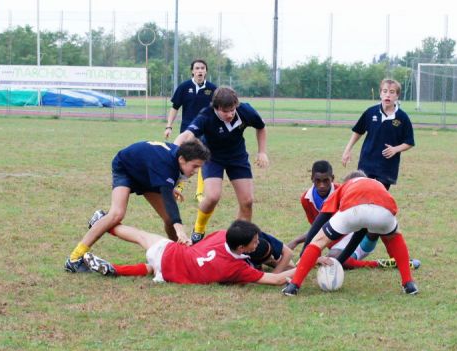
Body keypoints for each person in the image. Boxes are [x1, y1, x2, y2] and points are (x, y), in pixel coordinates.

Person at [64, 139, 211, 273]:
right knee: (117, 214)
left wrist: (167, 186)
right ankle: (74, 258)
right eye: (195, 166)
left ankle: (177, 258)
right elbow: (167, 196)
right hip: (126, 168)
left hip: (146, 174)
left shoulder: (175, 159)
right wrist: (180, 229)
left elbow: (161, 174)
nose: (196, 171)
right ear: (182, 159)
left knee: (168, 220)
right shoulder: (165, 163)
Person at [282, 170, 419, 296]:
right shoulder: (377, 184)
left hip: (352, 211)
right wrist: (340, 262)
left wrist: (306, 251)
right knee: (395, 236)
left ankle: (293, 286)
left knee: (318, 241)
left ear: (348, 181)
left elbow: (321, 218)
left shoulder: (344, 186)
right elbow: (360, 234)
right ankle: (409, 284)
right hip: (383, 211)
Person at [174, 86, 269, 244]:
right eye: (226, 111)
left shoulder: (245, 110)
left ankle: (239, 241)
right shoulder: (206, 115)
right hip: (212, 157)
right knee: (212, 196)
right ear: (216, 108)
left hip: (237, 157)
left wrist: (262, 151)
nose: (230, 114)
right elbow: (187, 135)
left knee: (247, 201)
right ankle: (198, 229)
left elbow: (261, 127)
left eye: (232, 110)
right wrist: (173, 150)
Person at [82, 220, 296, 286]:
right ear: (241, 248)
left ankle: (102, 223)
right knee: (151, 267)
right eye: (255, 242)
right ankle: (103, 227)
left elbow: (200, 246)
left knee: (141, 236)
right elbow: (277, 279)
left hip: (173, 254)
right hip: (170, 274)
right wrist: (307, 262)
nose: (258, 244)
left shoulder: (222, 234)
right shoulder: (237, 268)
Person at [341, 78, 415, 190]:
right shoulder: (370, 112)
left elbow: (409, 142)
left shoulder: (402, 117)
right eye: (385, 91)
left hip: (387, 166)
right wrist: (347, 150)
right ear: (380, 94)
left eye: (392, 92)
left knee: (379, 197)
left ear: (397, 96)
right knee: (363, 193)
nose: (388, 95)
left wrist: (395, 149)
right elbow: (358, 131)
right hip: (367, 162)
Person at [164, 60, 217, 203]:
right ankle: (179, 186)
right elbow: (175, 107)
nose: (200, 71)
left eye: (202, 68)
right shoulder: (184, 87)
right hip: (187, 131)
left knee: (202, 160)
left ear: (206, 71)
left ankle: (199, 193)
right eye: (197, 68)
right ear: (192, 71)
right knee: (183, 158)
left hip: (206, 132)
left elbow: (218, 111)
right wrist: (169, 126)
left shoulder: (213, 89)